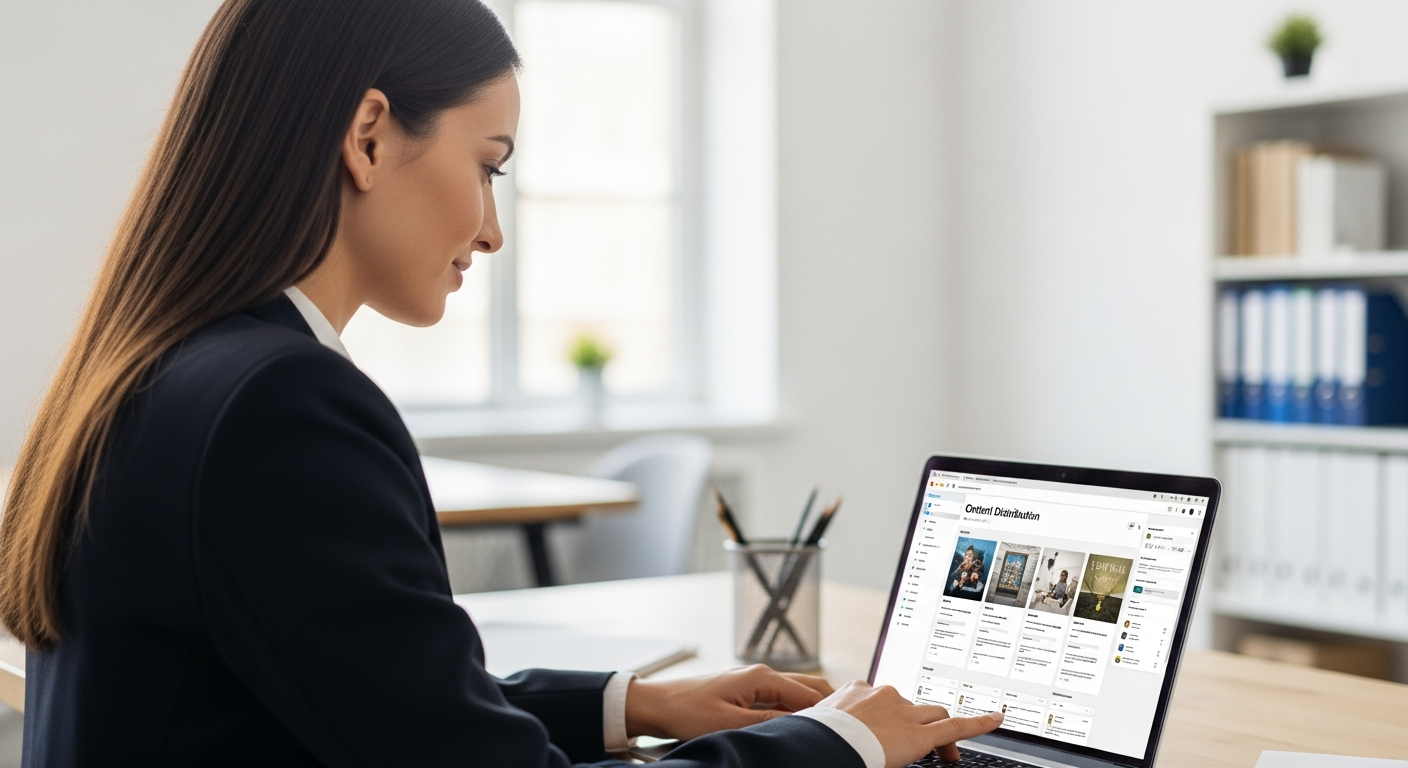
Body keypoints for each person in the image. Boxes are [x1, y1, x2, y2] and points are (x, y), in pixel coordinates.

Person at [0, 1, 1001, 767]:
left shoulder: (166, 368)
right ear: (368, 135)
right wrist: (836, 744)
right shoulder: (279, 406)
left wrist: (633, 705)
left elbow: (376, 704)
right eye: (489, 167)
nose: (490, 231)